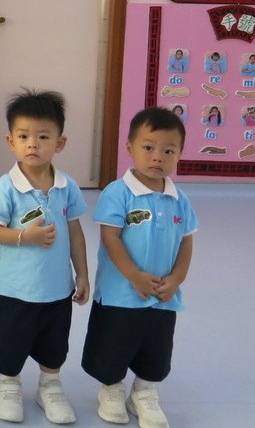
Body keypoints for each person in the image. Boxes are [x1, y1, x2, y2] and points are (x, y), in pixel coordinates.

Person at [81, 107, 198, 428]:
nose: (158, 156)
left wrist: (177, 279)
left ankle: (144, 391)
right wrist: (134, 276)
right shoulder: (118, 193)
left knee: (156, 347)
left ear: (180, 154)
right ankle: (111, 389)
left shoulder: (179, 199)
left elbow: (186, 241)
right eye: (148, 147)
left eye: (168, 150)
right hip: (121, 294)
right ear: (130, 147)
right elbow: (110, 238)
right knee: (113, 345)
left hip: (162, 295)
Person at [0, 89, 89, 425]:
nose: (33, 144)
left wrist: (82, 274)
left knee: (54, 344)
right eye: (24, 136)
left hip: (57, 288)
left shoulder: (67, 187)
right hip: (16, 288)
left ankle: (50, 386)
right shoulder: (6, 186)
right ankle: (9, 386)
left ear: (60, 143)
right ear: (10, 141)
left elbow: (75, 232)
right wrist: (24, 237)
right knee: (10, 344)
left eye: (43, 137)